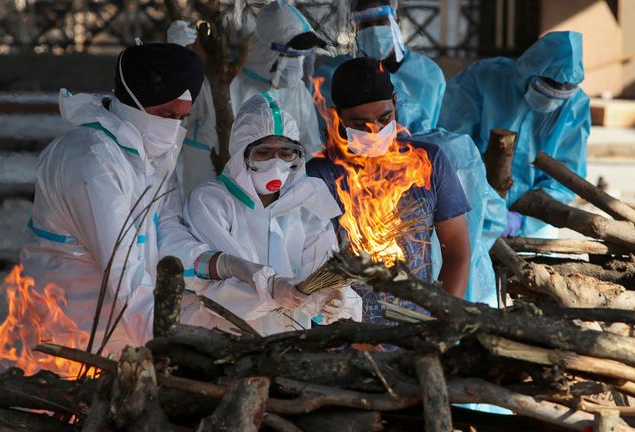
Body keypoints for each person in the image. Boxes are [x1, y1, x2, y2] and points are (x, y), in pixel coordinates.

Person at [20, 43, 213, 354]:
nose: (173, 127)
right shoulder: (92, 159)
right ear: (134, 100)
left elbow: (167, 225)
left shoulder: (152, 153)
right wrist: (165, 342)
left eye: (182, 117)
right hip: (73, 333)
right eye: (166, 114)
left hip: (126, 329)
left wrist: (213, 264)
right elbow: (121, 265)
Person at [181, 93, 362, 335]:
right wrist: (272, 289)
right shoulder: (212, 201)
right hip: (222, 340)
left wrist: (333, 299)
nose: (276, 163)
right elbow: (214, 287)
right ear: (241, 152)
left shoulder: (307, 207)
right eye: (264, 152)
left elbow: (321, 272)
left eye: (286, 153)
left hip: (290, 343)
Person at [307, 57, 471, 323]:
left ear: (395, 103)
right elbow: (306, 264)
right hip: (343, 335)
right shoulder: (318, 175)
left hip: (414, 330)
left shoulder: (429, 162)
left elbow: (457, 253)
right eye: (360, 124)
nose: (374, 130)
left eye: (384, 118)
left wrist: (441, 323)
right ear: (338, 118)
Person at [438, 31, 591, 238]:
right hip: (472, 206)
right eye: (546, 87)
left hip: (535, 218)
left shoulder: (575, 106)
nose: (554, 95)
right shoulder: (483, 79)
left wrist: (524, 220)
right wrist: (484, 204)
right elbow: (454, 148)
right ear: (530, 71)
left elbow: (566, 176)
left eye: (563, 91)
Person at [314, 0, 445, 136]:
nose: (374, 32)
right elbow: (327, 132)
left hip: (417, 155)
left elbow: (438, 130)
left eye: (381, 22)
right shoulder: (331, 74)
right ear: (355, 29)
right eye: (365, 25)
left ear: (396, 21)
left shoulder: (429, 74)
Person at [230, 0, 326, 155]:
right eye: (289, 56)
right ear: (264, 50)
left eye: (300, 56)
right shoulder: (230, 87)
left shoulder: (298, 92)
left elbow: (311, 149)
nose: (295, 65)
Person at [166, 20, 219, 195]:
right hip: (200, 158)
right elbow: (178, 121)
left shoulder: (216, 78)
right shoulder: (195, 82)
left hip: (214, 156)